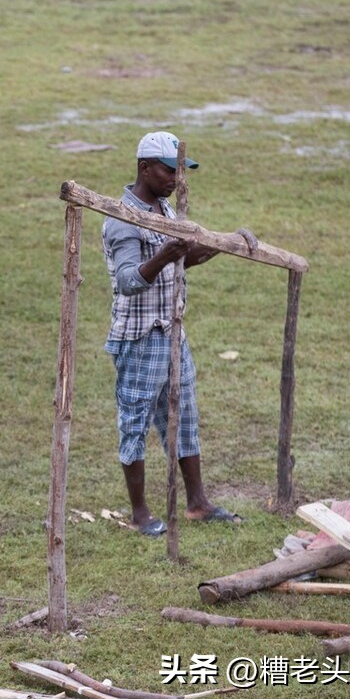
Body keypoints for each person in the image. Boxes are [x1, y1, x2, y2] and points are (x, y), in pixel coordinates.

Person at [100, 131, 242, 537]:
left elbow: (186, 259)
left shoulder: (166, 210)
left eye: (182, 171)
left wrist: (225, 243)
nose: (177, 179)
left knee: (184, 419)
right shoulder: (121, 219)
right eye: (169, 170)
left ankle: (197, 503)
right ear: (144, 167)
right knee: (136, 423)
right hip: (140, 337)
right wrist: (164, 255)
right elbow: (128, 280)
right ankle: (140, 513)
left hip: (173, 332)